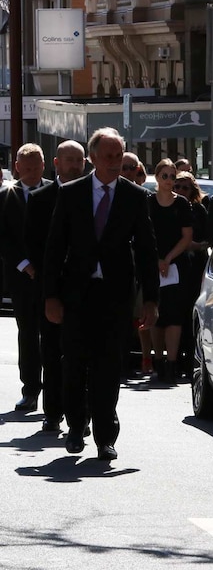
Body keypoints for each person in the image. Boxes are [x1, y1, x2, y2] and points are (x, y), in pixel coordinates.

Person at [43, 127, 159, 461]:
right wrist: (50, 296)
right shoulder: (72, 193)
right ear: (92, 158)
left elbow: (147, 250)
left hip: (115, 295)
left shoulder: (134, 197)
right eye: (107, 156)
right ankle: (77, 427)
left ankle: (106, 437)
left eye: (118, 156)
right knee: (75, 364)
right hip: (76, 294)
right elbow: (54, 248)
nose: (113, 162)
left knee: (109, 366)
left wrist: (151, 299)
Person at [24, 140, 87, 432]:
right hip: (49, 288)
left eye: (80, 160)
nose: (75, 165)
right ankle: (52, 412)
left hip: (85, 288)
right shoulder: (40, 198)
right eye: (69, 160)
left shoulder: (92, 194)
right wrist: (44, 281)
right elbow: (34, 244)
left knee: (82, 353)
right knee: (51, 350)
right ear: (56, 163)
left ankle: (81, 413)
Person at [0, 144, 52, 412]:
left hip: (53, 275)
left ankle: (56, 394)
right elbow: (4, 238)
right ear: (17, 167)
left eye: (36, 167)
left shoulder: (57, 192)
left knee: (53, 335)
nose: (32, 173)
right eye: (26, 168)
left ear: (44, 165)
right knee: (28, 333)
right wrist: (24, 264)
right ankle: (30, 389)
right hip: (21, 278)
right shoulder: (6, 196)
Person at [148, 159, 193, 384]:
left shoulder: (182, 204)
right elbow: (142, 236)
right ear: (157, 177)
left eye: (172, 177)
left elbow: (187, 237)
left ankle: (172, 364)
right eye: (164, 176)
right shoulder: (148, 203)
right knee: (157, 316)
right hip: (152, 266)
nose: (169, 181)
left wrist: (168, 258)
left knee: (174, 316)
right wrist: (156, 260)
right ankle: (158, 360)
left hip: (176, 265)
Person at [174, 171, 209, 378]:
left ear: (192, 190)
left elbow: (206, 240)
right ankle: (174, 359)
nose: (179, 191)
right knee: (175, 312)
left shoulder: (199, 210)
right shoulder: (170, 206)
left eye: (184, 187)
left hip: (195, 267)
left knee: (191, 313)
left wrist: (191, 245)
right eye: (176, 186)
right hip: (175, 266)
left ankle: (189, 360)